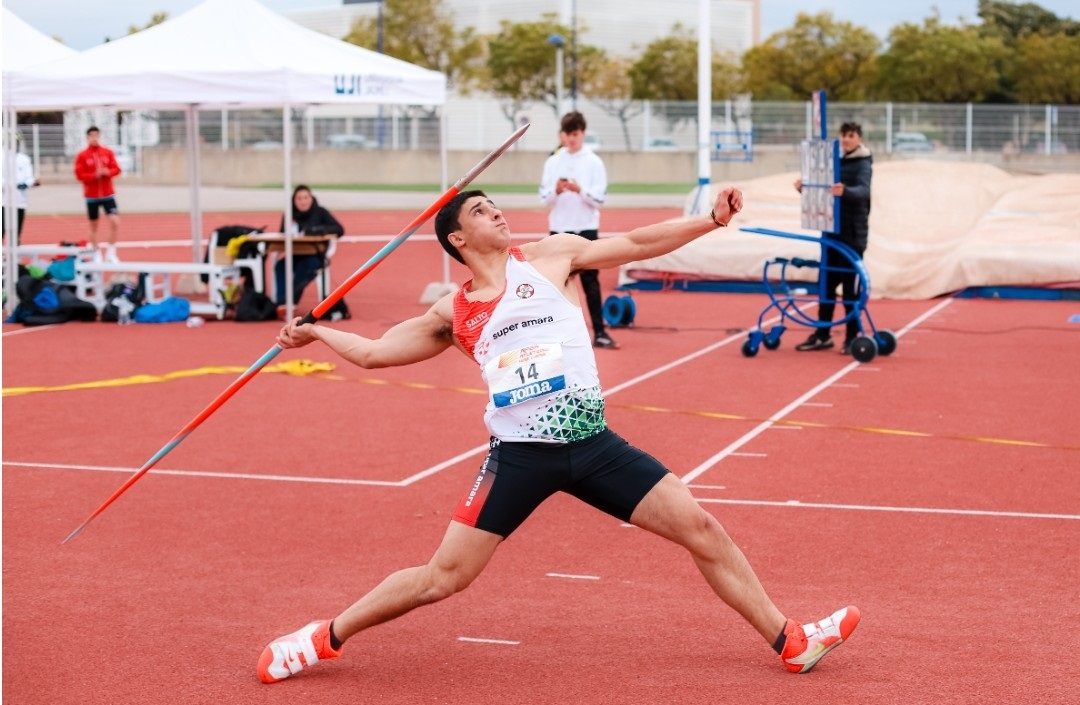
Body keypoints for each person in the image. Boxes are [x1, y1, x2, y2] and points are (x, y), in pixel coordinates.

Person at [257, 187, 860, 684]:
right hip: (519, 458)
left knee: (701, 527)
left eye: (494, 204)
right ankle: (320, 639)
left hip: (595, 446)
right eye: (479, 211)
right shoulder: (453, 311)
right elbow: (375, 352)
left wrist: (710, 219)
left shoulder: (552, 257)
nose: (495, 212)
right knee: (442, 579)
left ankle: (791, 640)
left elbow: (641, 241)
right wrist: (316, 335)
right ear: (458, 241)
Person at [793, 121, 873, 355]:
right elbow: (822, 187)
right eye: (844, 135)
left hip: (852, 235)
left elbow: (864, 191)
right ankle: (822, 334)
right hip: (830, 231)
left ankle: (851, 337)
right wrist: (805, 188)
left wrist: (845, 191)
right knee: (826, 286)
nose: (847, 139)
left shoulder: (863, 162)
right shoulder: (834, 160)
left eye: (851, 135)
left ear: (859, 138)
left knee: (850, 290)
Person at [539, 111, 617, 349]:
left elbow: (600, 199)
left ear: (582, 134)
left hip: (586, 229)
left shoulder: (594, 162)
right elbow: (544, 198)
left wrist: (580, 190)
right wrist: (558, 190)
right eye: (567, 134)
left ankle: (600, 332)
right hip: (559, 229)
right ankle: (557, 337)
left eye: (575, 134)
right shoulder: (553, 161)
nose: (571, 139)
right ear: (561, 135)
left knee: (591, 282)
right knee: (556, 283)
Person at [274, 184, 348, 318]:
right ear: (294, 200)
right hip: (295, 254)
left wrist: (318, 230)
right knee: (280, 266)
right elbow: (282, 233)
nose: (303, 201)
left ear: (311, 198)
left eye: (305, 197)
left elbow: (339, 229)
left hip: (315, 255)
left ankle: (290, 301)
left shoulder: (320, 212)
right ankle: (281, 301)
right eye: (299, 198)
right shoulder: (289, 214)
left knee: (307, 266)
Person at [73, 126, 122, 262]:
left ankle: (111, 252)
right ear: (87, 137)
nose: (94, 138)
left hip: (108, 195)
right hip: (92, 196)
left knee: (115, 221)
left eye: (96, 135)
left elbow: (117, 169)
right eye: (92, 136)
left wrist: (108, 172)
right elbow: (79, 175)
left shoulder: (107, 152)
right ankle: (96, 252)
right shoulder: (82, 155)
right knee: (94, 225)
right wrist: (94, 175)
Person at [2, 137, 39, 239]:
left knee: (16, 230)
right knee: (2, 228)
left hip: (20, 201)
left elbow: (29, 177)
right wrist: (11, 185)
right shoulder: (2, 158)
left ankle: (15, 250)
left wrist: (28, 184)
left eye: (16, 143)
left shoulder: (24, 159)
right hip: (4, 201)